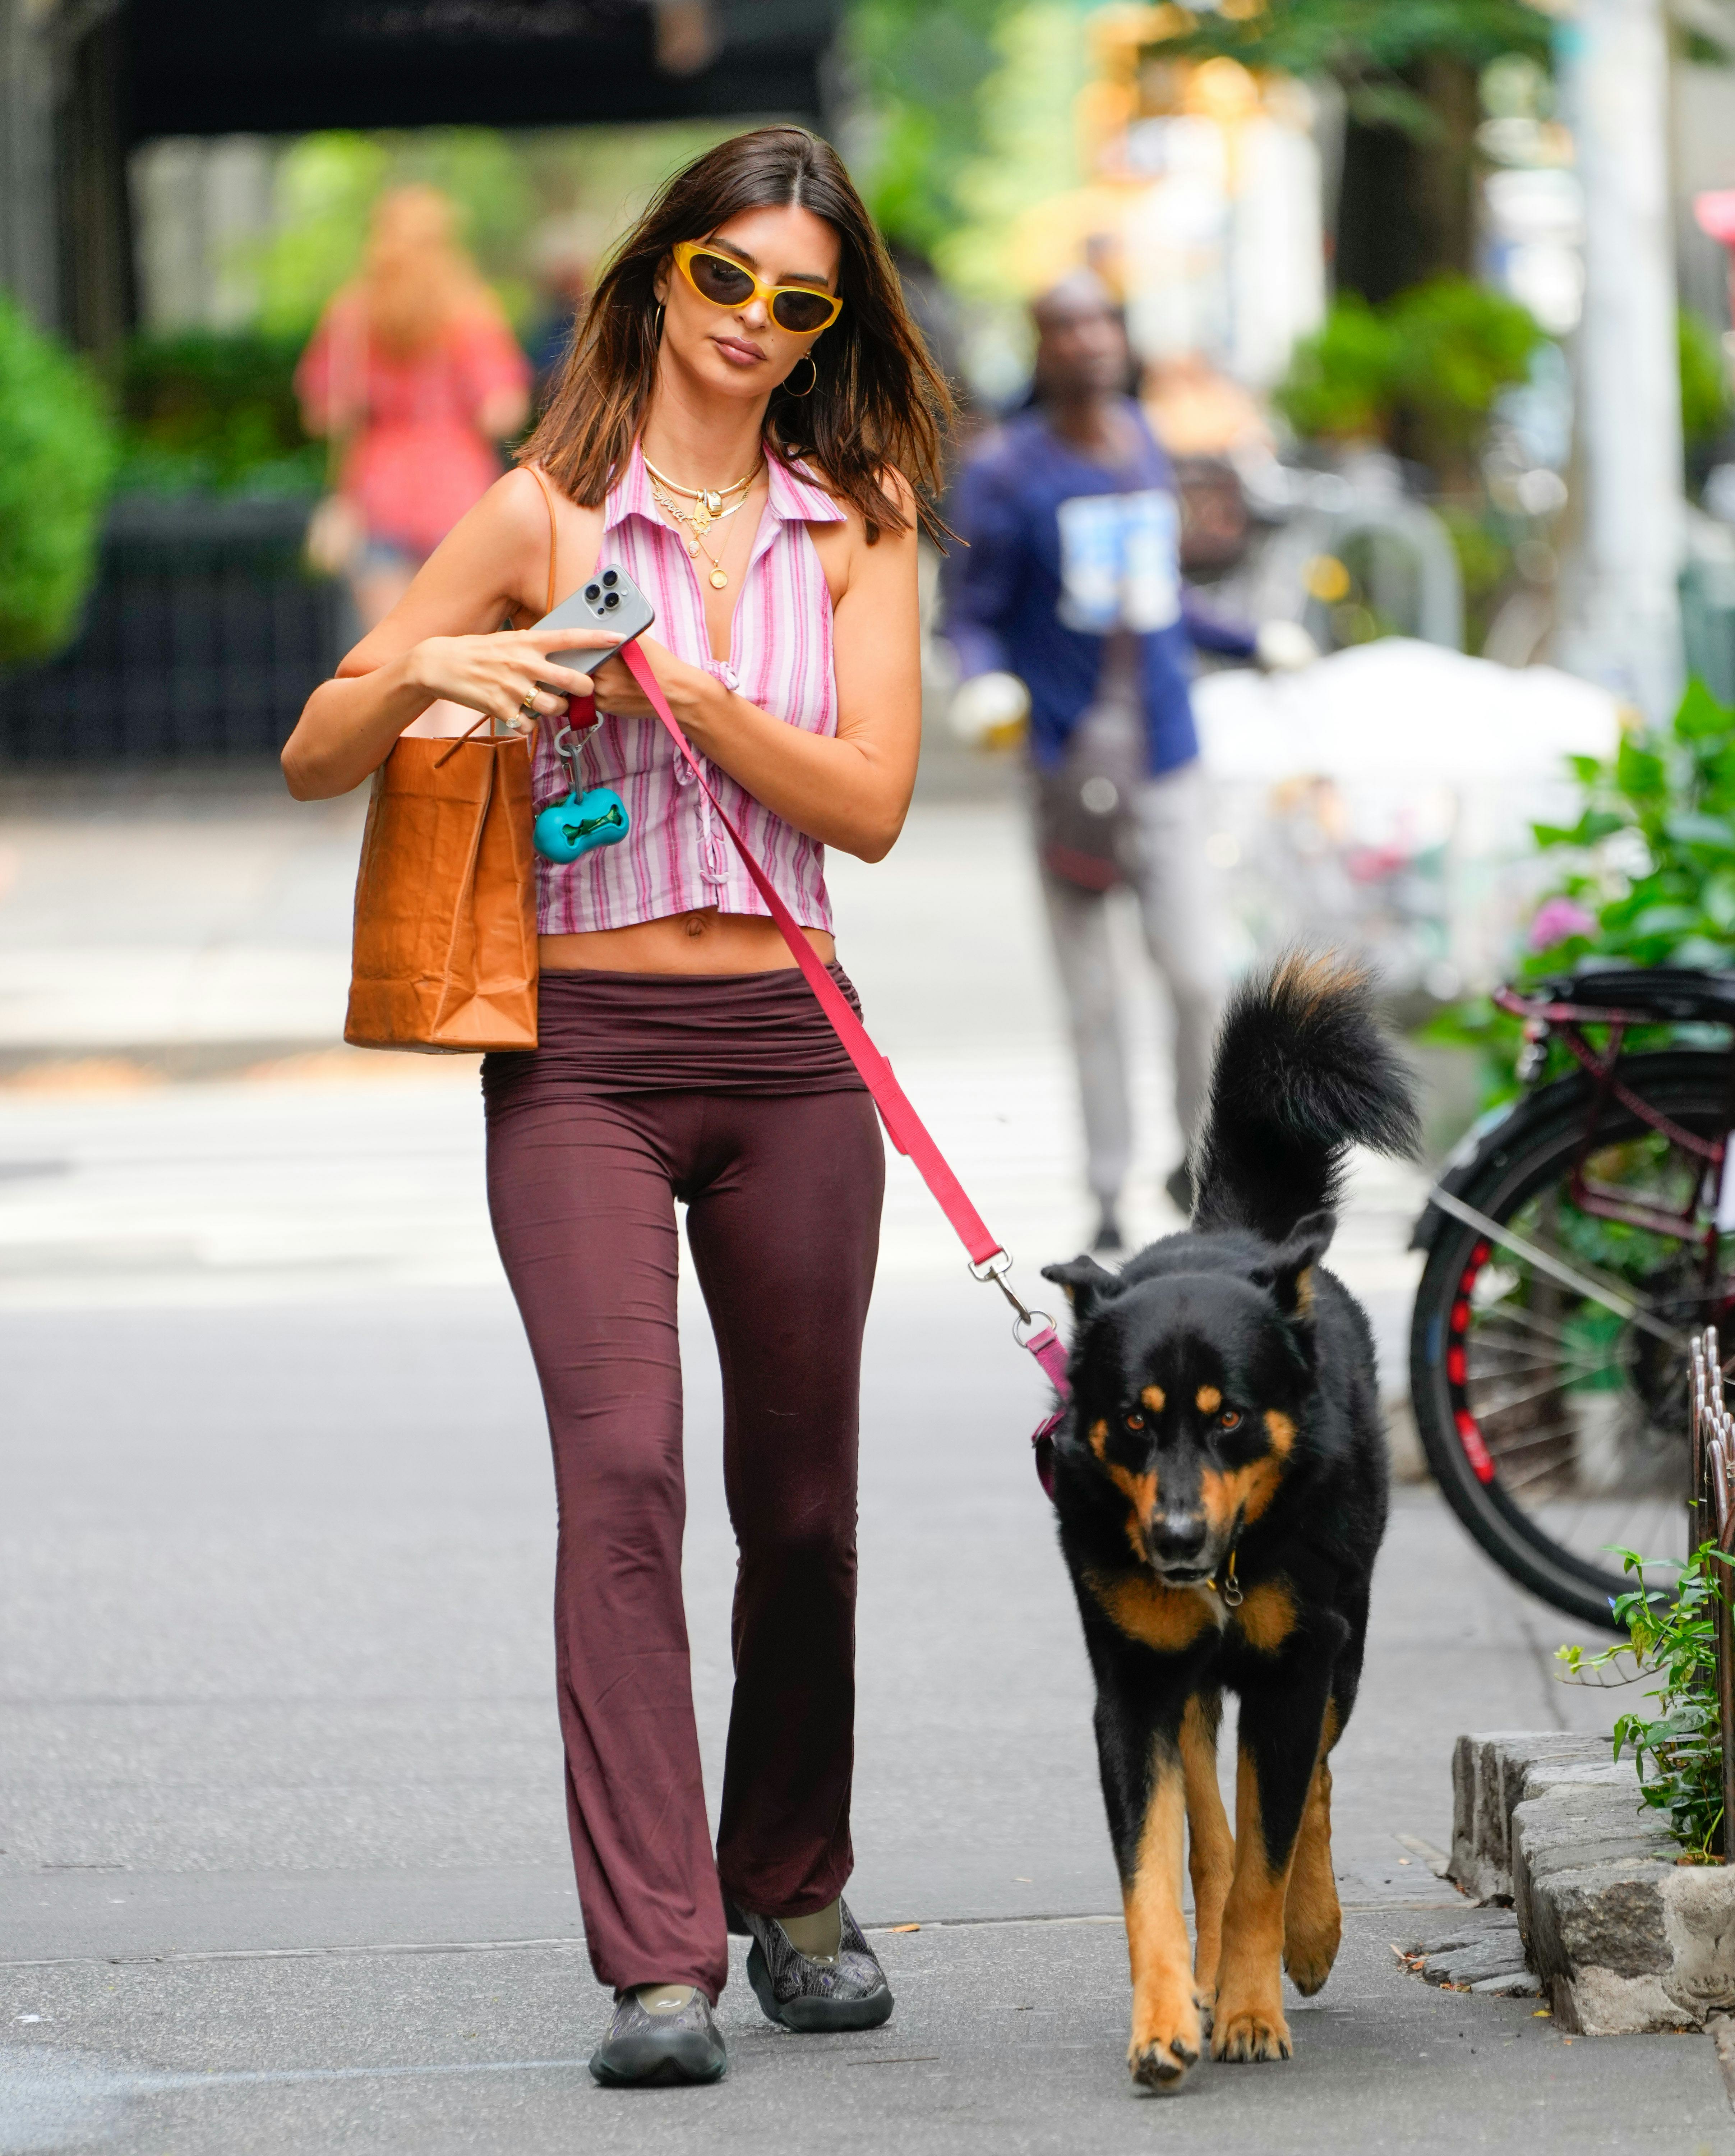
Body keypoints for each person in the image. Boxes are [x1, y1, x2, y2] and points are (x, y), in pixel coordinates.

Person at [280, 127, 949, 2089]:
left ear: (827, 323)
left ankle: (796, 1881)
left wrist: (686, 693)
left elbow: (875, 806)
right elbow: (323, 748)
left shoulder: (856, 523)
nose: (753, 323)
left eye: (797, 300)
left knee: (802, 1508)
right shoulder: (538, 514)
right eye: (725, 279)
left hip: (788, 1053)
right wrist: (461, 660)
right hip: (575, 1055)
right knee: (624, 1480)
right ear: (660, 276)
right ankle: (659, 1955)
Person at [945, 271, 1254, 1253]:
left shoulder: (1141, 439)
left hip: (1166, 750)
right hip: (1067, 767)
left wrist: (1245, 640)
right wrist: (984, 683)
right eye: (1062, 327)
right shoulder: (1006, 475)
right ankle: (1109, 1185)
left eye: (1098, 322)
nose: (1085, 340)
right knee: (1093, 995)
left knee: (1199, 975)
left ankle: (1196, 1160)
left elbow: (1155, 593)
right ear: (1039, 349)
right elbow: (969, 614)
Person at [296, 185, 532, 639]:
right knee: (459, 665)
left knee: (393, 659)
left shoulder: (352, 314)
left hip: (378, 494)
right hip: (457, 496)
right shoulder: (470, 310)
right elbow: (502, 412)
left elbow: (323, 413)